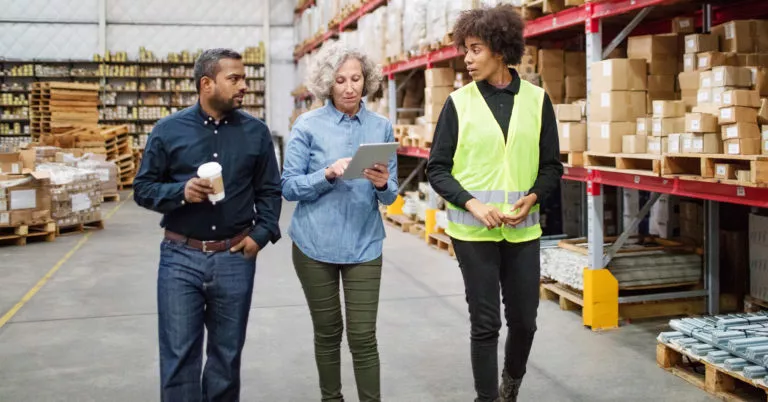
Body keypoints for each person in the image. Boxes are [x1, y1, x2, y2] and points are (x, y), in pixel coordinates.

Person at [426, 5, 563, 402]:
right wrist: (472, 204)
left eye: (475, 49)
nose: (467, 59)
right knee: (485, 324)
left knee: (524, 322)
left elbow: (552, 167)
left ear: (500, 49)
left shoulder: (538, 101)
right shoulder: (459, 103)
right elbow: (438, 169)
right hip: (474, 233)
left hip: (523, 231)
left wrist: (533, 196)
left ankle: (511, 385)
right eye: (465, 50)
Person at [133, 48, 282, 402]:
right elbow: (143, 188)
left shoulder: (256, 133)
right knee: (178, 357)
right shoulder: (168, 131)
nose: (244, 86)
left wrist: (259, 236)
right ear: (206, 83)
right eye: (235, 79)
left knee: (225, 358)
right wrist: (180, 192)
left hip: (234, 256)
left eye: (244, 78)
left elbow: (271, 191)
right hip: (180, 258)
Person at [281, 42, 398, 402]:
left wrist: (382, 185)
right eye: (341, 80)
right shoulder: (307, 126)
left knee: (363, 337)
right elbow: (287, 186)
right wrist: (326, 174)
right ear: (328, 84)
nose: (350, 87)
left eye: (357, 79)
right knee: (328, 333)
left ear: (367, 82)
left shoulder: (380, 127)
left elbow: (391, 194)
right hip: (315, 245)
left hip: (363, 245)